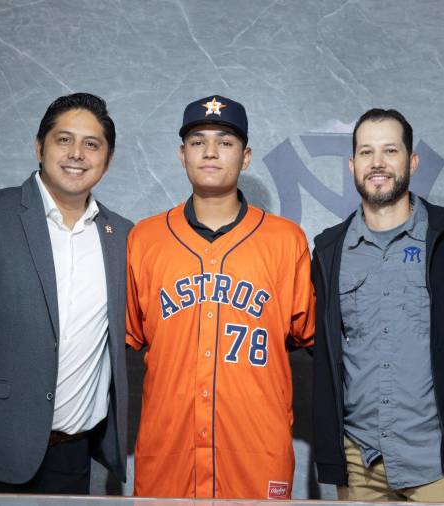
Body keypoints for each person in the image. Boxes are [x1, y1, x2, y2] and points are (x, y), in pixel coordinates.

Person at [0, 92, 132, 494]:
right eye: (63, 140)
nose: (77, 154)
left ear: (108, 158)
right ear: (39, 147)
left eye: (92, 144)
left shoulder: (123, 236)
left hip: (71, 460)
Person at [125, 95, 315, 499]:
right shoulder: (144, 239)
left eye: (225, 142)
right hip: (168, 453)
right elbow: (121, 342)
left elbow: (315, 341)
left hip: (255, 455)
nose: (210, 151)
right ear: (182, 155)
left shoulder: (286, 241)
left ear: (245, 158)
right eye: (198, 141)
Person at [310, 108, 444, 502]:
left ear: (412, 161)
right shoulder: (329, 251)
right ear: (352, 164)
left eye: (390, 151)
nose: (377, 163)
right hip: (361, 464)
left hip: (438, 462)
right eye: (366, 152)